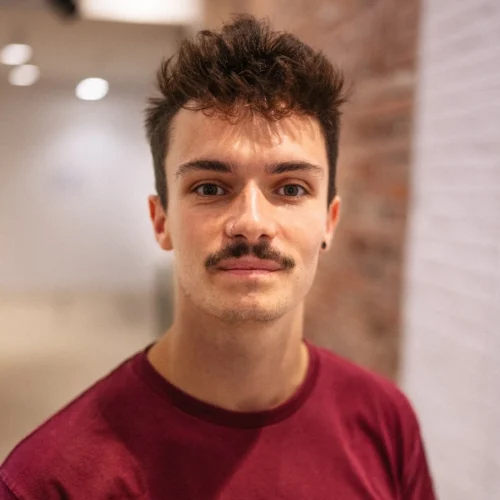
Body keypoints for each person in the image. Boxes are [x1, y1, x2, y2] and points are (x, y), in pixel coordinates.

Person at [0, 15, 436, 500]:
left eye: (290, 188)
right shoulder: (50, 481)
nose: (251, 222)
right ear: (161, 219)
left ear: (329, 220)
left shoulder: (385, 422)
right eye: (210, 187)